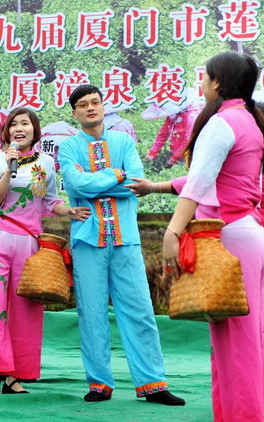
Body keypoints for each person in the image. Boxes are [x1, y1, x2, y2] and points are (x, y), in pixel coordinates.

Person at [126, 101, 264, 422]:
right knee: (257, 337)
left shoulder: (247, 154)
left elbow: (202, 181)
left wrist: (156, 188)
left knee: (234, 343)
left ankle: (246, 410)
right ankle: (261, 404)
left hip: (241, 244)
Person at [159, 51, 264, 421]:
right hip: (248, 236)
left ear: (218, 82)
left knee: (235, 347)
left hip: (231, 238)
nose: (201, 83)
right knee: (242, 343)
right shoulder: (250, 121)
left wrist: (172, 231)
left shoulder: (224, 123)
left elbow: (198, 183)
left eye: (204, 77)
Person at [57, 84, 185, 405]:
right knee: (92, 312)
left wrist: (99, 183)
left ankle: (152, 383)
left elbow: (135, 185)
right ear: (74, 112)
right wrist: (115, 174)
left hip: (125, 238)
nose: (90, 108)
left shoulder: (124, 141)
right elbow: (75, 183)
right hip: (87, 240)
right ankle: (99, 383)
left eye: (95, 102)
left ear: (103, 106)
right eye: (83, 104)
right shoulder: (69, 147)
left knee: (140, 309)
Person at [0, 107, 91, 395]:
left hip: (29, 244)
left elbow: (48, 201)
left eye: (25, 123)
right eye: (14, 124)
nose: (19, 128)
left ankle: (15, 376)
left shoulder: (45, 162)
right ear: (6, 132)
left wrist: (67, 210)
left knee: (25, 311)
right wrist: (10, 167)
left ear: (35, 130)